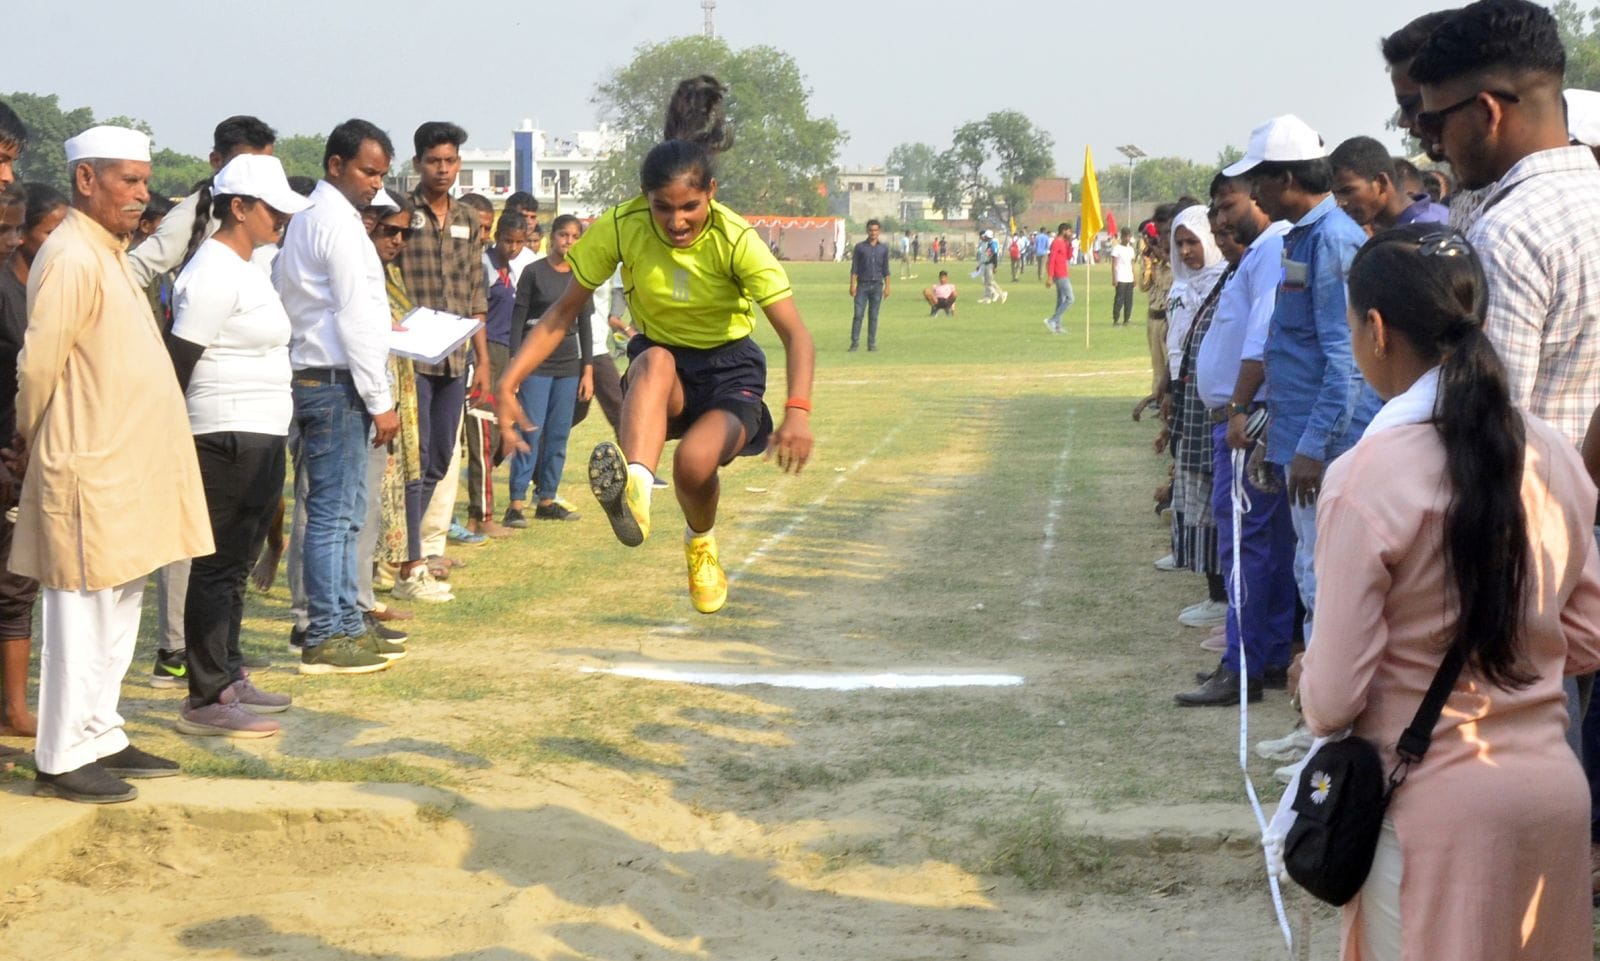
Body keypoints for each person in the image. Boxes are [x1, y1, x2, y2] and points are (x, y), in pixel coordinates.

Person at [1297, 225, 1600, 961]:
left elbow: (1331, 699)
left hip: (1431, 810)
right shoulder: (1551, 452)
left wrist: (1309, 672)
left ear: (1375, 330)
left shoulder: (1367, 476)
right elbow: (1587, 633)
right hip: (1550, 793)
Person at [495, 74, 814, 616]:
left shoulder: (737, 240)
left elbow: (795, 334)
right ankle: (635, 490)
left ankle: (700, 543)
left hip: (728, 371)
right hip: (662, 368)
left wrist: (797, 413)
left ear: (710, 193)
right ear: (646, 200)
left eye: (689, 206)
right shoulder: (622, 226)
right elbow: (561, 312)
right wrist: (508, 381)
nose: (676, 221)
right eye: (663, 208)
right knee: (653, 357)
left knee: (693, 463)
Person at [15, 126, 213, 802]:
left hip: (128, 463)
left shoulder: (108, 251)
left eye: (143, 179)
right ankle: (62, 751)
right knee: (81, 607)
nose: (140, 193)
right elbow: (40, 365)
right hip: (86, 460)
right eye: (127, 180)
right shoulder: (71, 254)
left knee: (123, 597)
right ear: (85, 180)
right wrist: (27, 437)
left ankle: (101, 730)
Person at [168, 155, 311, 738]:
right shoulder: (211, 272)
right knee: (218, 564)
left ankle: (228, 672)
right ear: (239, 208)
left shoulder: (249, 264)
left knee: (238, 560)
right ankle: (205, 697)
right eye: (272, 209)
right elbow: (178, 362)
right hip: (222, 433)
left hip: (260, 431)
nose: (281, 218)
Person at [1224, 115, 1378, 630]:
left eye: (1259, 179)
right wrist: (1283, 438)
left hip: (1330, 443)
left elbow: (1345, 359)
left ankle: (1325, 706)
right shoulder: (1301, 238)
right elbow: (1291, 342)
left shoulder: (1331, 240)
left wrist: (1312, 445)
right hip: (1305, 433)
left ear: (1286, 179)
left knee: (1323, 575)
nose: (1254, 192)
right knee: (1310, 567)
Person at [273, 118, 399, 675]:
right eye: (368, 172)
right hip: (332, 379)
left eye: (382, 174)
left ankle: (345, 621)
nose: (376, 184)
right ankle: (325, 632)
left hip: (328, 377)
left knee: (345, 513)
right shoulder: (335, 224)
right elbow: (356, 318)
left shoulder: (318, 219)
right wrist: (380, 398)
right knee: (331, 515)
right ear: (336, 165)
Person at [1177, 175, 1295, 707]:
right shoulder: (1264, 251)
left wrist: (1240, 408)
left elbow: (1262, 335)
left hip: (1247, 419)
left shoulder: (1272, 249)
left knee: (1244, 544)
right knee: (1260, 543)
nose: (1221, 220)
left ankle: (1242, 664)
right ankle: (1264, 655)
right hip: (1246, 414)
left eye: (1229, 207)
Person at [397, 121, 495, 589]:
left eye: (450, 161)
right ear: (417, 163)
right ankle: (408, 558)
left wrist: (485, 360)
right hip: (409, 356)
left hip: (455, 358)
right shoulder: (398, 213)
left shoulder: (468, 219)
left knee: (438, 458)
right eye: (433, 160)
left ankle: (412, 548)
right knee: (412, 459)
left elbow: (477, 289)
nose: (442, 169)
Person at [504, 214, 592, 523]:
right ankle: (516, 503)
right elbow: (518, 319)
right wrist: (515, 363)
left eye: (574, 236)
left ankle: (547, 500)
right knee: (531, 431)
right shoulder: (533, 272)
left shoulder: (582, 275)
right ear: (551, 237)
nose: (568, 241)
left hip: (568, 365)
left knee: (557, 435)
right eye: (563, 235)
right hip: (536, 365)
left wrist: (588, 370)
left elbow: (585, 326)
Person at [1329, 136, 1448, 231]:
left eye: (1347, 191)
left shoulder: (1419, 233)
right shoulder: (1441, 213)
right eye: (1336, 194)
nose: (1341, 202)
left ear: (1381, 182)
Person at [849, 219, 890, 352]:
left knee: (873, 316)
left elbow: (886, 269)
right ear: (867, 231)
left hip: (877, 285)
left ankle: (871, 344)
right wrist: (852, 285)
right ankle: (854, 343)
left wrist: (888, 287)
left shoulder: (883, 248)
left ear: (879, 231)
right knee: (858, 315)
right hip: (862, 286)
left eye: (876, 230)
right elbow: (854, 268)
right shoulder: (860, 247)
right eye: (871, 230)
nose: (873, 233)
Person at [1042, 222, 1073, 334]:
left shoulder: (1064, 243)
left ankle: (1058, 326)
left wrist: (1070, 245)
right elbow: (1051, 260)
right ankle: (1052, 320)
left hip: (1064, 273)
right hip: (1059, 275)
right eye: (1069, 231)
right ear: (1064, 230)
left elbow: (1068, 257)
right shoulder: (1056, 243)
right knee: (1070, 299)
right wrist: (1050, 277)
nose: (1070, 233)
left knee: (1061, 300)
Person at [1109, 228, 1136, 326]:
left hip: (1129, 278)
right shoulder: (1117, 248)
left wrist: (1134, 277)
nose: (1128, 239)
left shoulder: (1131, 249)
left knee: (1129, 300)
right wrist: (1114, 277)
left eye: (1129, 236)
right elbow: (1114, 264)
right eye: (1127, 237)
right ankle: (1116, 319)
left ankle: (1127, 319)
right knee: (1119, 299)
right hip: (1120, 277)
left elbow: (1132, 264)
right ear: (1123, 237)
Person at [977, 229, 1005, 304]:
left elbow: (995, 256)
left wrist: (995, 266)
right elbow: (985, 255)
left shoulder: (992, 244)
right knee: (987, 282)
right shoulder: (987, 243)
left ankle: (1001, 294)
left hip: (990, 264)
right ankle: (987, 297)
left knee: (989, 282)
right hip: (986, 264)